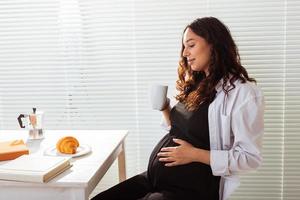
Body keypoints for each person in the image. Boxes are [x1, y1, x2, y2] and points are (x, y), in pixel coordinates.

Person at [91, 16, 264, 200]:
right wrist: (165, 108)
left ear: (213, 44)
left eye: (191, 45)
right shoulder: (197, 85)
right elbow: (181, 130)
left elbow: (249, 158)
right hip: (153, 178)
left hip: (188, 189)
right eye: (184, 47)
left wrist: (194, 154)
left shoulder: (243, 93)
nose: (185, 53)